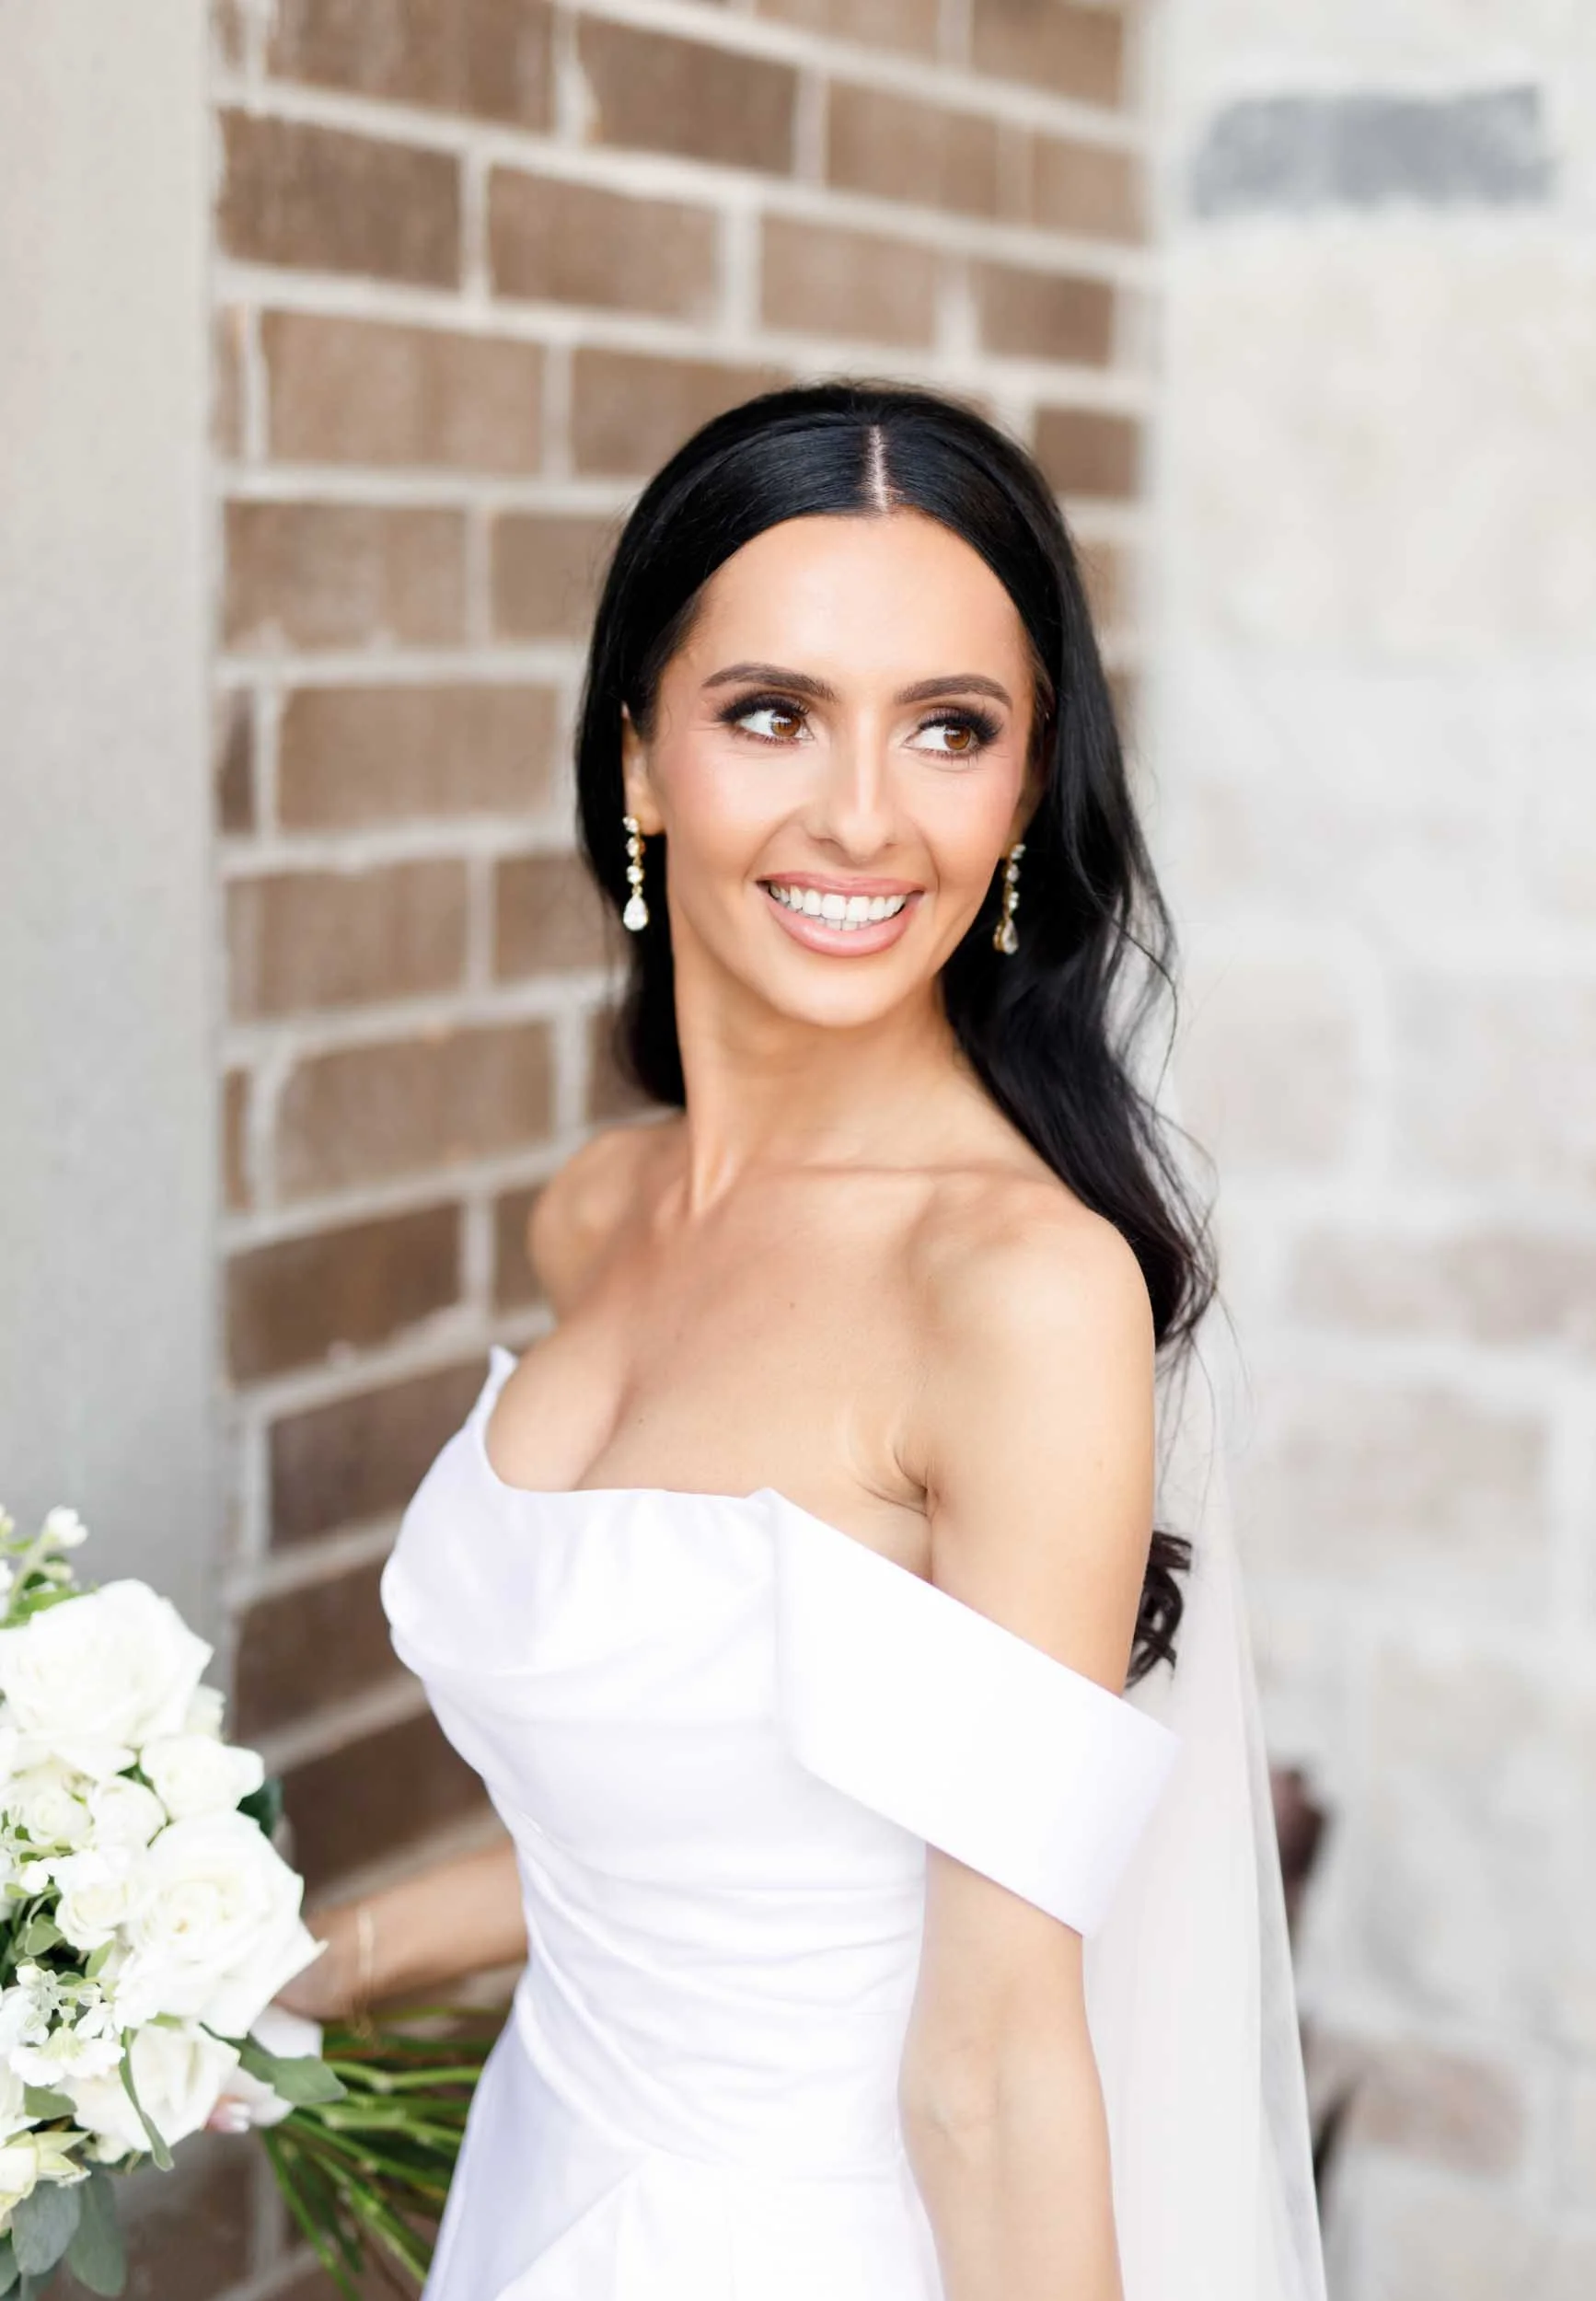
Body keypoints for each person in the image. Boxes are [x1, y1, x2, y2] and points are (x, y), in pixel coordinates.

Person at [278, 381, 1327, 2301]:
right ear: (641, 757)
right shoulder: (601, 1207)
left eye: (950, 728)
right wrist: (280, 1964)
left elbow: (997, 2064)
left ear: (1024, 792)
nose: (861, 811)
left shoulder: (1014, 1287)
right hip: (546, 2201)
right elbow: (705, 1836)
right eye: (772, 711)